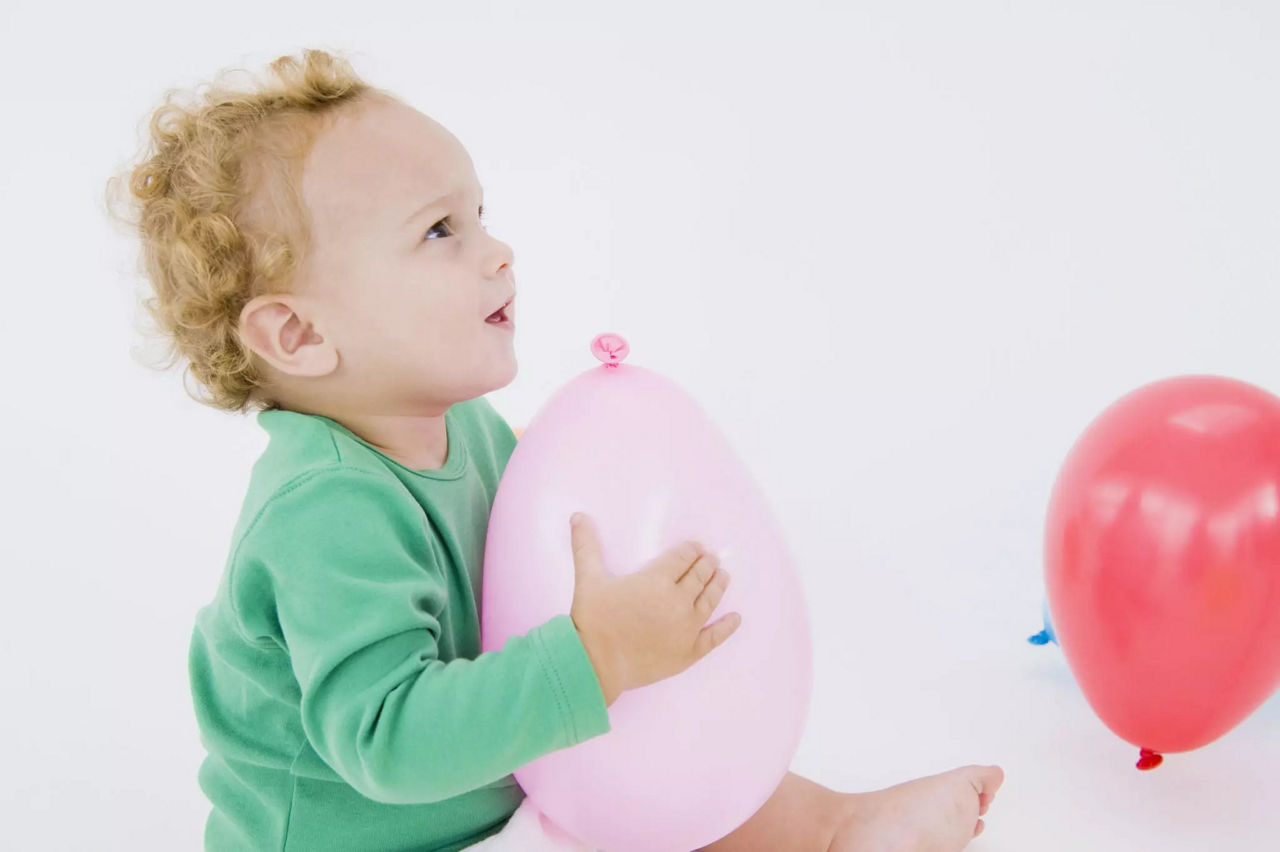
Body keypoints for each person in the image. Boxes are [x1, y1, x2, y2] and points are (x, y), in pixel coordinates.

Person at [106, 47, 1003, 852]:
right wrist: (597, 655)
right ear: (299, 335)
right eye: (438, 232)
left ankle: (835, 825)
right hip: (382, 840)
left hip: (502, 794)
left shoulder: (459, 428)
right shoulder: (325, 511)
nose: (498, 253)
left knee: (663, 777)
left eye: (480, 214)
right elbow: (389, 743)